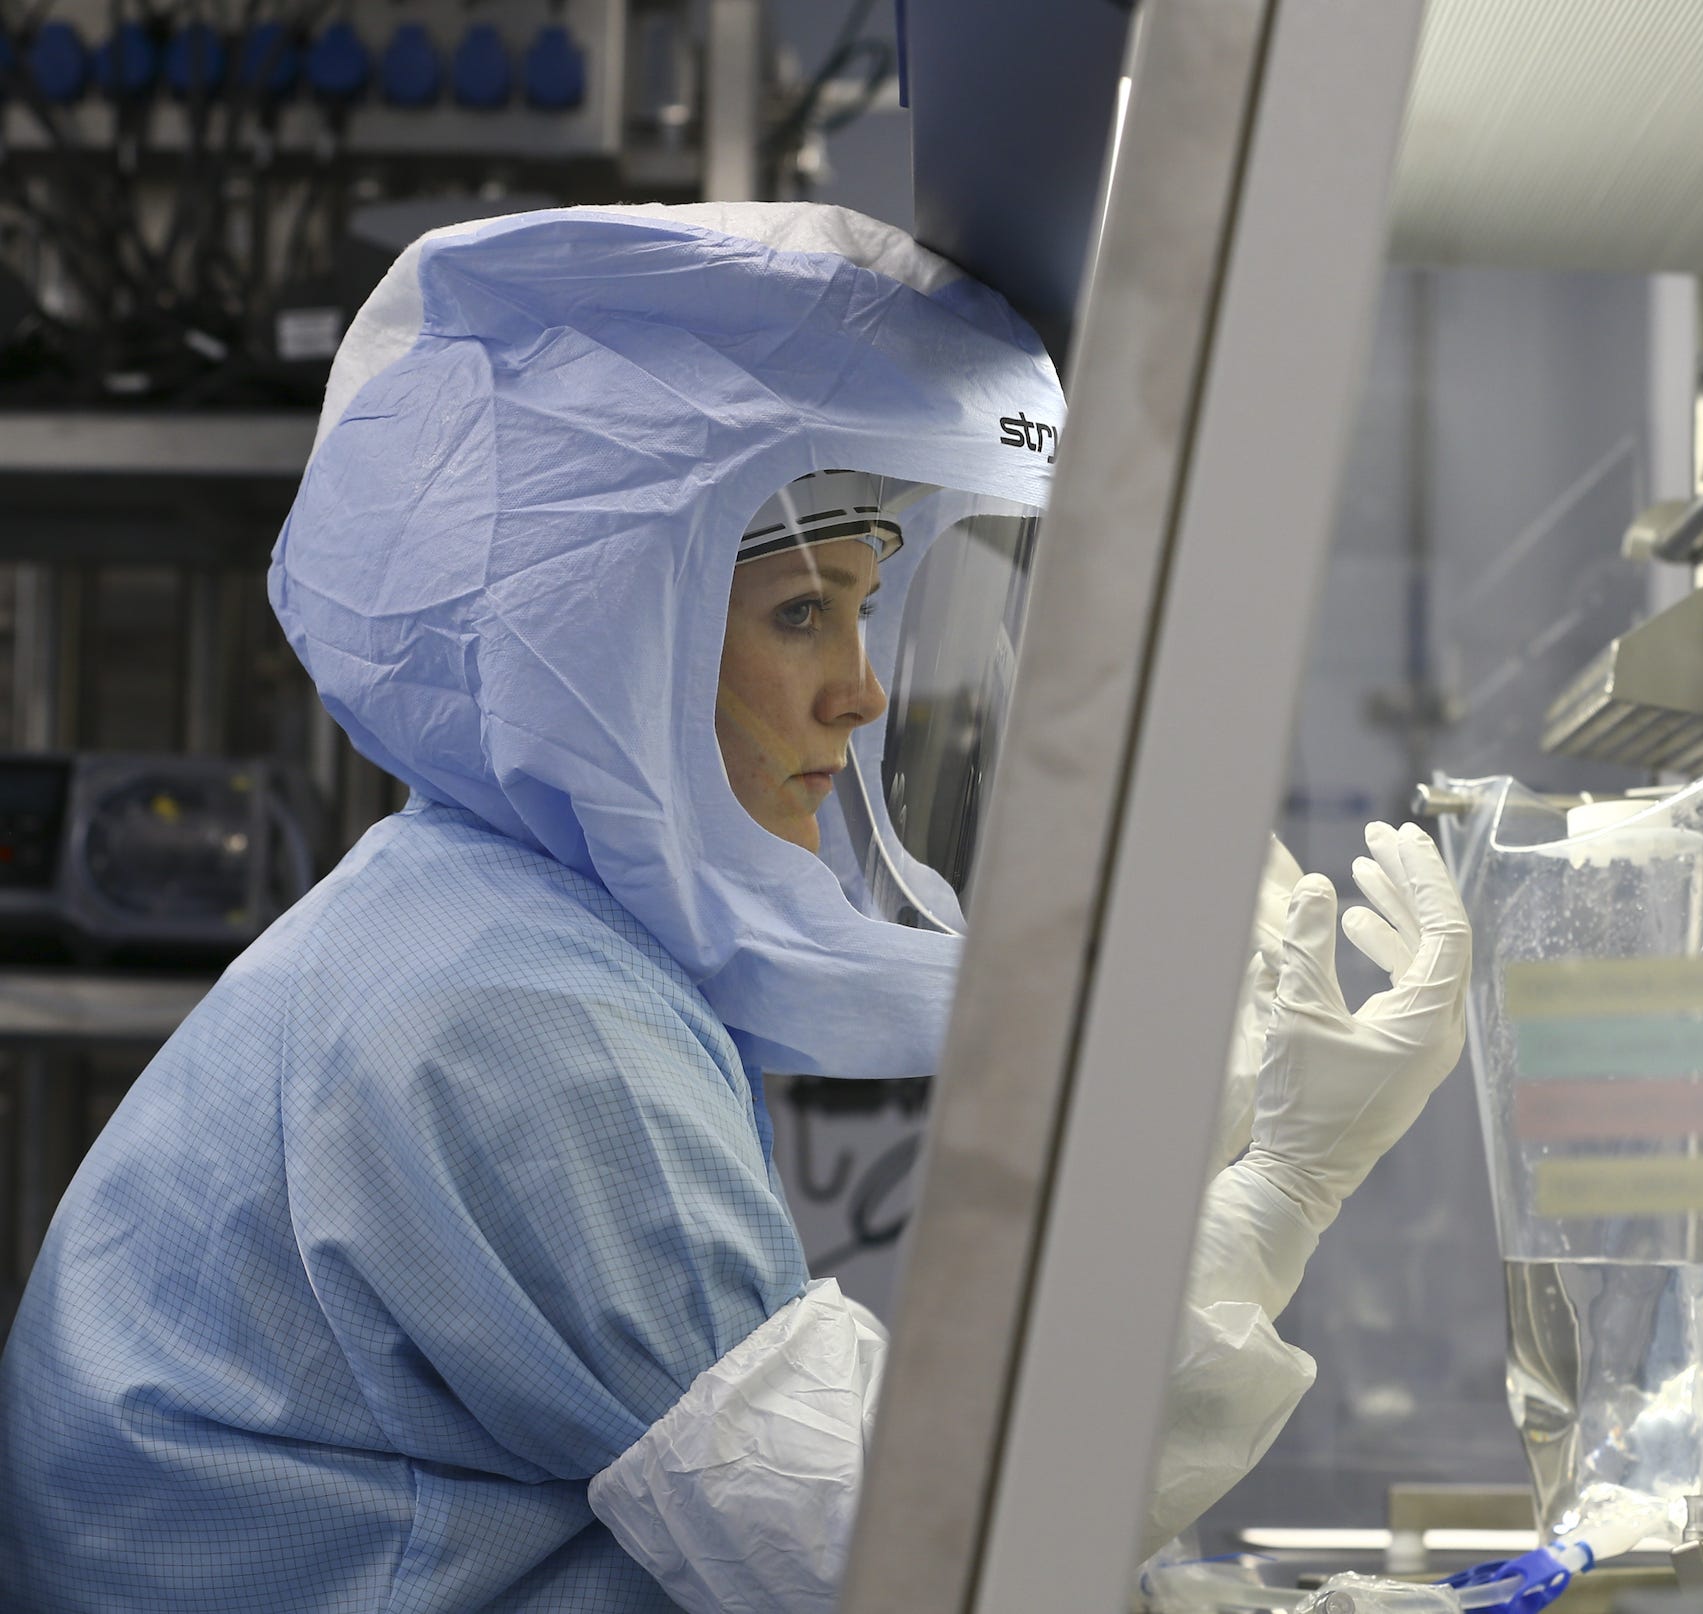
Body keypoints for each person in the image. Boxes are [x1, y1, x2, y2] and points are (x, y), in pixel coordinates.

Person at [0, 203, 1471, 1612]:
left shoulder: (491, 922)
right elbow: (903, 1550)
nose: (868, 688)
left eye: (868, 606)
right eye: (798, 610)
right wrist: (1280, 1190)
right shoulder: (519, 1015)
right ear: (613, 633)